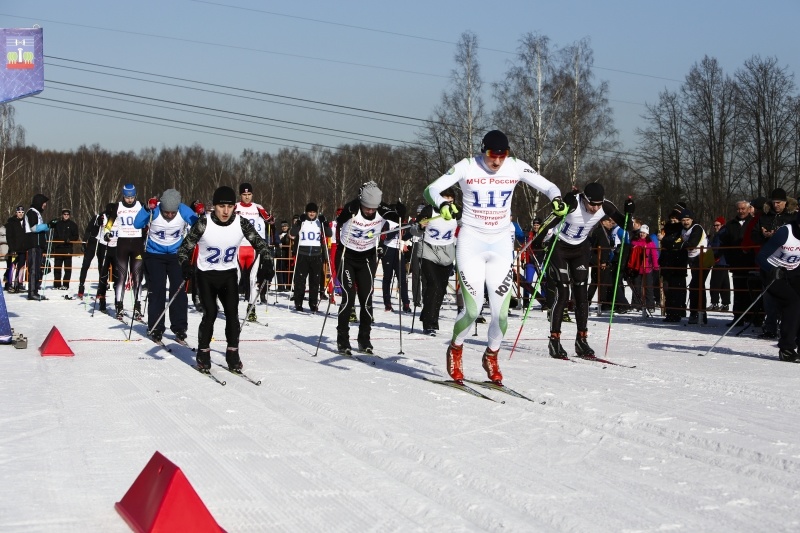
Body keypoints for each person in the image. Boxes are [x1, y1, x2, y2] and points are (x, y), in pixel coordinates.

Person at [424, 130, 562, 383]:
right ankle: (456, 347)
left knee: (501, 312)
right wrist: (443, 205)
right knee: (473, 309)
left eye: (502, 155)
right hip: (471, 242)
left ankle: (492, 354)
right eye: (491, 155)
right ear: (483, 151)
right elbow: (431, 189)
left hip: (500, 244)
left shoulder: (515, 166)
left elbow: (549, 186)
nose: (496, 161)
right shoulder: (468, 166)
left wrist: (557, 200)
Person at [177, 186, 274, 372]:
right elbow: (183, 249)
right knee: (211, 312)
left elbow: (261, 244)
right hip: (206, 275)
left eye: (229, 207)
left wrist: (268, 263)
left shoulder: (241, 223)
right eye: (221, 206)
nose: (226, 211)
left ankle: (232, 353)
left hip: (228, 274)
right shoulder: (204, 223)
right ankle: (203, 352)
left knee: (232, 314)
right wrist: (184, 265)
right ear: (214, 207)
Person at [536, 182, 634, 358]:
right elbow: (549, 223)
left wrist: (629, 212)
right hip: (559, 247)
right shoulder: (573, 203)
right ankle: (555, 340)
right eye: (592, 204)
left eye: (598, 204)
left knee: (582, 295)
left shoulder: (605, 206)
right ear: (584, 198)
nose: (595, 208)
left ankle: (581, 340)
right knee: (563, 292)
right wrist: (540, 242)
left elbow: (627, 226)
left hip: (580, 249)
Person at [334, 181, 405, 355]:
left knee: (366, 300)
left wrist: (402, 211)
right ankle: (343, 340)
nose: (370, 211)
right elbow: (340, 219)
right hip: (346, 257)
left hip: (366, 258)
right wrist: (348, 211)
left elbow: (396, 216)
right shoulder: (353, 208)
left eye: (373, 209)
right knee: (349, 297)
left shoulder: (380, 209)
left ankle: (364, 339)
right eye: (367, 208)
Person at [134, 189, 198, 342]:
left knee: (178, 290)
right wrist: (146, 209)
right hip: (154, 255)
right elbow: (137, 224)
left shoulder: (183, 210)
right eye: (166, 212)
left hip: (176, 255)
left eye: (172, 213)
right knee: (157, 291)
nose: (169, 216)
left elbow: (198, 226)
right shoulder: (155, 209)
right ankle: (156, 326)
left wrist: (199, 215)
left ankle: (179, 327)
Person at [410, 188, 459, 335]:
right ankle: (430, 323)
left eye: (451, 200)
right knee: (434, 285)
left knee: (440, 290)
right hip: (429, 253)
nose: (448, 202)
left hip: (447, 255)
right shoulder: (429, 210)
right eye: (445, 199)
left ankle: (427, 314)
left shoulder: (457, 212)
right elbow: (413, 230)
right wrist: (419, 226)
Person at [751, 188, 797, 338]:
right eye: (774, 202)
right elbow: (754, 235)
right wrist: (764, 235)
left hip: (791, 261)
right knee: (769, 297)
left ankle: (789, 329)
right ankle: (770, 327)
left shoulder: (792, 216)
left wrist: (777, 233)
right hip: (771, 260)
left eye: (779, 202)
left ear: (786, 202)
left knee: (792, 300)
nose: (776, 205)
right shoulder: (764, 216)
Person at [756, 219, 800, 362]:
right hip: (772, 272)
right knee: (792, 301)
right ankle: (786, 349)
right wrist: (771, 270)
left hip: (793, 272)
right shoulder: (785, 232)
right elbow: (761, 257)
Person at [234, 182, 275, 321]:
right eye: (244, 195)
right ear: (240, 195)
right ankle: (232, 308)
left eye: (249, 194)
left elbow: (271, 221)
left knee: (252, 280)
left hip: (253, 248)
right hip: (238, 247)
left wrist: (268, 216)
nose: (247, 197)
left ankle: (251, 309)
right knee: (235, 278)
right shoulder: (235, 206)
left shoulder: (257, 207)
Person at [106, 184, 146, 320]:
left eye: (132, 197)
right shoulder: (118, 206)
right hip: (123, 243)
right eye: (127, 197)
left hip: (137, 243)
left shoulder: (140, 205)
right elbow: (110, 221)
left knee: (137, 277)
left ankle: (137, 306)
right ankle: (119, 306)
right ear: (123, 196)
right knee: (121, 277)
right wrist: (107, 232)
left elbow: (149, 217)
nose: (130, 200)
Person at [290, 202, 331, 312]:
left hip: (316, 255)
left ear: (316, 213)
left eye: (314, 212)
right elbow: (292, 233)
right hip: (303, 254)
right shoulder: (302, 222)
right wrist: (298, 223)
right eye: (310, 212)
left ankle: (313, 303)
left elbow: (329, 234)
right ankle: (298, 302)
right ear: (306, 212)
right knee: (300, 280)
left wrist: (326, 223)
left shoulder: (319, 222)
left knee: (315, 280)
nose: (312, 214)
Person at [719, 200, 755, 326]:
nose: (741, 211)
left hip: (751, 262)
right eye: (738, 209)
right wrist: (729, 260)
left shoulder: (754, 222)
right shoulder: (730, 224)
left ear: (748, 209)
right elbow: (725, 242)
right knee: (738, 290)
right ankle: (738, 317)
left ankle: (752, 317)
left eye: (743, 209)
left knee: (752, 290)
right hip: (737, 263)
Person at [679, 209, 710, 324]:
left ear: (692, 219)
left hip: (704, 257)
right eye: (683, 220)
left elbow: (692, 244)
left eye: (687, 220)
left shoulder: (697, 228)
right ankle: (696, 313)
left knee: (696, 285)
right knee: (696, 285)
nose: (685, 222)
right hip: (694, 259)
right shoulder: (683, 230)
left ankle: (699, 314)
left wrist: (678, 245)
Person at [380, 211, 412, 313]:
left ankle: (406, 303)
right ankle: (387, 303)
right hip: (388, 251)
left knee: (402, 278)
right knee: (387, 278)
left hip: (398, 251)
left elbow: (404, 237)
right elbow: (386, 236)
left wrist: (411, 230)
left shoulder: (401, 223)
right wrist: (398, 227)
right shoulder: (387, 222)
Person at [24, 193, 53, 301]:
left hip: (39, 245)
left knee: (37, 268)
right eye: (44, 203)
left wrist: (49, 227)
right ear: (39, 202)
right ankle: (32, 292)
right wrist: (47, 226)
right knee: (34, 268)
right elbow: (33, 228)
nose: (45, 205)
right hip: (33, 244)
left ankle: (35, 290)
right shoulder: (32, 212)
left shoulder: (37, 213)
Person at [627, 224, 659, 311]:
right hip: (637, 268)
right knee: (636, 287)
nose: (642, 234)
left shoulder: (650, 243)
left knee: (648, 288)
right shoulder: (634, 242)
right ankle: (636, 304)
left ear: (647, 234)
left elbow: (654, 255)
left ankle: (650, 306)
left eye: (644, 233)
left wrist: (656, 266)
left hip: (647, 268)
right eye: (641, 232)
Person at [77, 210, 107, 299]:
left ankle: (100, 290)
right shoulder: (97, 217)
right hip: (92, 243)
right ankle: (81, 287)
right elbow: (88, 229)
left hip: (102, 244)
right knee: (85, 265)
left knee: (101, 267)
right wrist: (84, 242)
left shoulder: (112, 218)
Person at [96, 202, 120, 313]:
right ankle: (102, 301)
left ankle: (118, 301)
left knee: (117, 275)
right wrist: (99, 222)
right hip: (104, 247)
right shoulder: (104, 216)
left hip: (116, 248)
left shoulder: (120, 218)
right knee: (103, 275)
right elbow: (96, 223)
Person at [52, 208, 79, 290]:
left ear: (69, 215)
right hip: (59, 248)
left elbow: (76, 236)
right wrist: (55, 244)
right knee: (57, 267)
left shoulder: (73, 225)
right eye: (64, 214)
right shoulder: (58, 224)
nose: (66, 216)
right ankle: (57, 284)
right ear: (62, 215)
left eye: (67, 214)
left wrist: (69, 239)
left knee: (67, 268)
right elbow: (54, 236)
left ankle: (66, 284)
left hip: (68, 248)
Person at [708, 216, 731, 312]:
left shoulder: (720, 234)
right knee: (724, 283)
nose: (715, 227)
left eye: (717, 225)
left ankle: (714, 303)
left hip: (719, 261)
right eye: (714, 225)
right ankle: (725, 303)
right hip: (724, 261)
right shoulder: (723, 233)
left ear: (722, 225)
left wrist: (712, 252)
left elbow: (717, 247)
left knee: (715, 282)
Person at [4, 206, 27, 293]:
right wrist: (12, 248)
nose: (20, 214)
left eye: (22, 212)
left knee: (21, 267)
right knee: (12, 267)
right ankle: (9, 284)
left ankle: (19, 284)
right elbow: (9, 237)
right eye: (19, 212)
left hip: (23, 249)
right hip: (14, 250)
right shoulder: (11, 223)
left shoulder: (25, 222)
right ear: (16, 213)